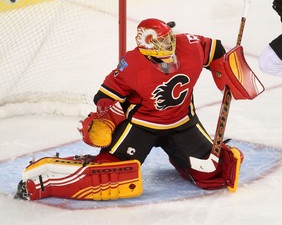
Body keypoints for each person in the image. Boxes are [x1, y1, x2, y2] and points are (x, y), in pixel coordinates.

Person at [15, 18, 257, 201]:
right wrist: (105, 118)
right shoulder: (132, 63)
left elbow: (216, 51)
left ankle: (180, 158)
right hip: (142, 127)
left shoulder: (189, 45)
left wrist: (226, 71)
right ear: (146, 45)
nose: (170, 44)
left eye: (169, 38)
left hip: (183, 122)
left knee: (212, 174)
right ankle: (53, 179)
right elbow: (105, 95)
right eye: (161, 42)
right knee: (114, 175)